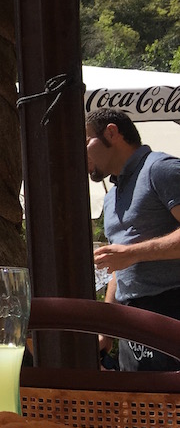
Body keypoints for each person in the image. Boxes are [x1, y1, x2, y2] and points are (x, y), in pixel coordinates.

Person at [86, 107, 180, 371]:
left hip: (171, 312)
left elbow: (128, 255)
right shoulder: (111, 197)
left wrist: (133, 253)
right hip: (130, 322)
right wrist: (107, 328)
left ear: (112, 133)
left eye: (85, 141)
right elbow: (119, 267)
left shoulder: (161, 170)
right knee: (139, 410)